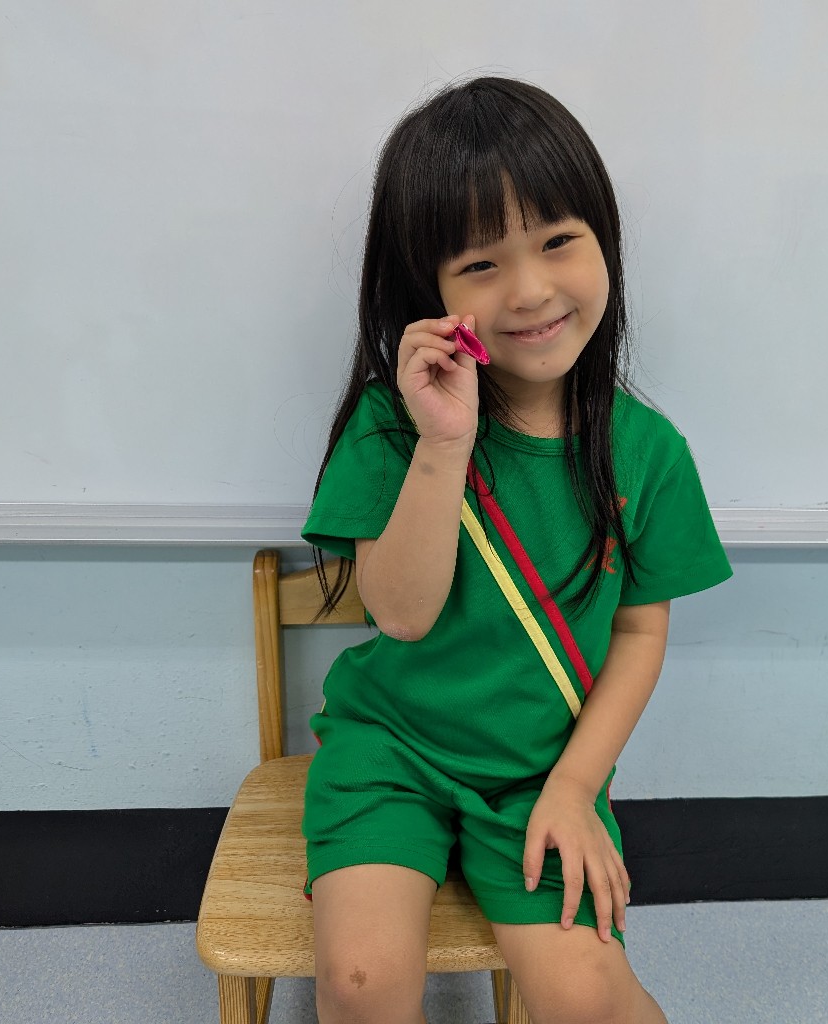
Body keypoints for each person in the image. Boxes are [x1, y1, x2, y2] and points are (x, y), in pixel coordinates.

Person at [301, 76, 732, 1024]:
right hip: (391, 754)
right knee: (362, 984)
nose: (531, 290)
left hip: (542, 769)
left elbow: (640, 635)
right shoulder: (393, 427)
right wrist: (444, 443)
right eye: (480, 263)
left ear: (604, 240)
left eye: (558, 241)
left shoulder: (648, 452)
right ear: (432, 291)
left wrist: (575, 787)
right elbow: (399, 615)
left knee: (585, 996)